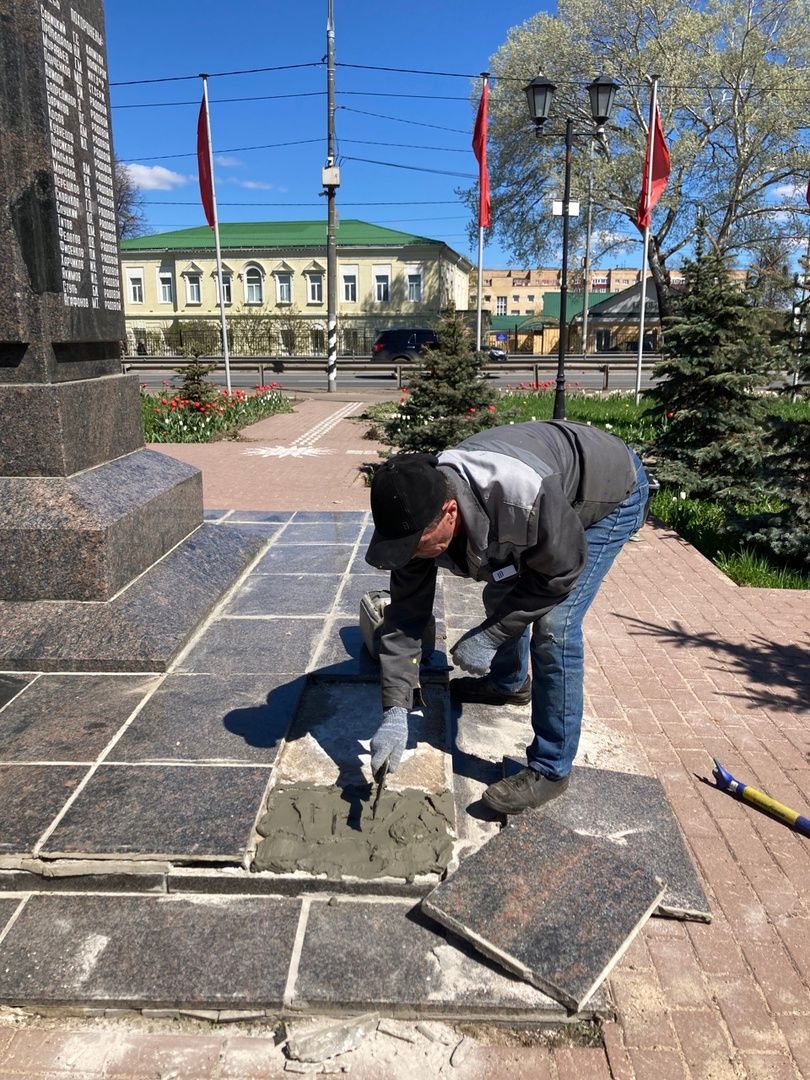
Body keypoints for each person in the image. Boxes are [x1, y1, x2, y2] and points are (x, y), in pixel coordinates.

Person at [365, 420, 649, 814]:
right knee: (502, 587)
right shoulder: (416, 515)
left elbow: (559, 573)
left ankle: (551, 768)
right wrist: (395, 709)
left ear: (449, 513)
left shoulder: (521, 495)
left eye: (417, 547)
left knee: (555, 628)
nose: (411, 556)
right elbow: (405, 618)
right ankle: (510, 683)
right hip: (545, 499)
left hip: (609, 494)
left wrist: (491, 635)